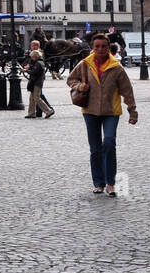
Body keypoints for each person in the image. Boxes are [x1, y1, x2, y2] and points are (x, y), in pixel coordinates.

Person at [67, 32, 137, 197]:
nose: (100, 49)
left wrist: (132, 111)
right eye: (97, 46)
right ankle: (98, 183)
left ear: (109, 48)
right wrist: (80, 86)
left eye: (103, 46)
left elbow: (127, 90)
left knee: (109, 143)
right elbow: (71, 79)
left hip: (111, 111)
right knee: (95, 149)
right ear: (93, 47)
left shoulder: (116, 67)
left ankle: (111, 183)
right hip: (90, 111)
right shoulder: (85, 64)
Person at [24, 49, 55, 119]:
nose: (31, 58)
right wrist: (29, 68)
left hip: (37, 82)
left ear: (35, 56)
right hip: (34, 82)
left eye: (32, 57)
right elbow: (34, 69)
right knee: (32, 97)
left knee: (36, 97)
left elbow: (34, 72)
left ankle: (48, 111)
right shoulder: (37, 62)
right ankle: (31, 113)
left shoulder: (39, 63)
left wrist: (26, 70)